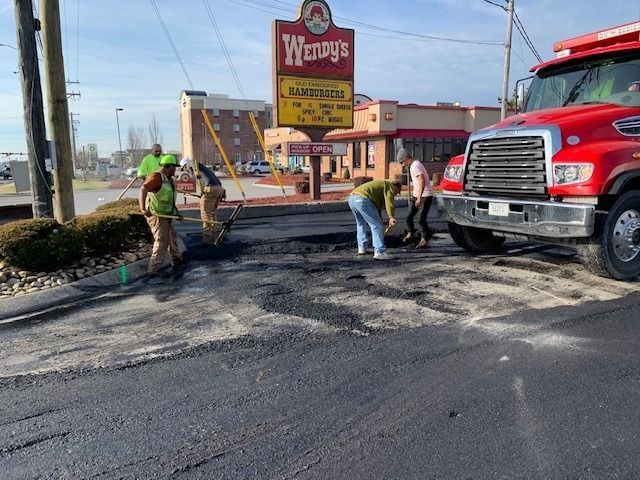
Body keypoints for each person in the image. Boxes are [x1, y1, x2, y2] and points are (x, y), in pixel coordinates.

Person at [139, 154, 184, 274]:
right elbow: (143, 189)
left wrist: (176, 214)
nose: (175, 169)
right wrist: (143, 208)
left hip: (167, 216)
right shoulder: (156, 177)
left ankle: (178, 262)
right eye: (174, 167)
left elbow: (169, 200)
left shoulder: (169, 180)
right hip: (157, 216)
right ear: (167, 167)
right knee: (161, 242)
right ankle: (153, 271)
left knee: (172, 238)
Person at [348, 179, 401, 260]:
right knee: (376, 225)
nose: (395, 194)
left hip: (352, 199)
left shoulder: (379, 187)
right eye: (396, 192)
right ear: (396, 188)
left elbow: (376, 210)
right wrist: (391, 217)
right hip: (363, 199)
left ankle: (362, 248)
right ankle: (380, 251)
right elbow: (389, 202)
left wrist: (381, 220)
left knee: (361, 224)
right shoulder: (389, 186)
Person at [180, 158, 226, 244]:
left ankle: (207, 238)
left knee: (205, 214)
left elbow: (192, 170)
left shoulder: (191, 165)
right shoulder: (200, 166)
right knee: (212, 213)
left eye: (183, 168)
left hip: (210, 188)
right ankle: (215, 234)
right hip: (219, 188)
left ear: (185, 165)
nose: (184, 170)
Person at [396, 147, 434, 249]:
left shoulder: (415, 165)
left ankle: (425, 240)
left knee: (422, 219)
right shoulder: (413, 165)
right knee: (409, 216)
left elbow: (422, 181)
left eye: (402, 162)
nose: (402, 165)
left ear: (406, 158)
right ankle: (411, 233)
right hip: (416, 195)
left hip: (424, 196)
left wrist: (419, 198)